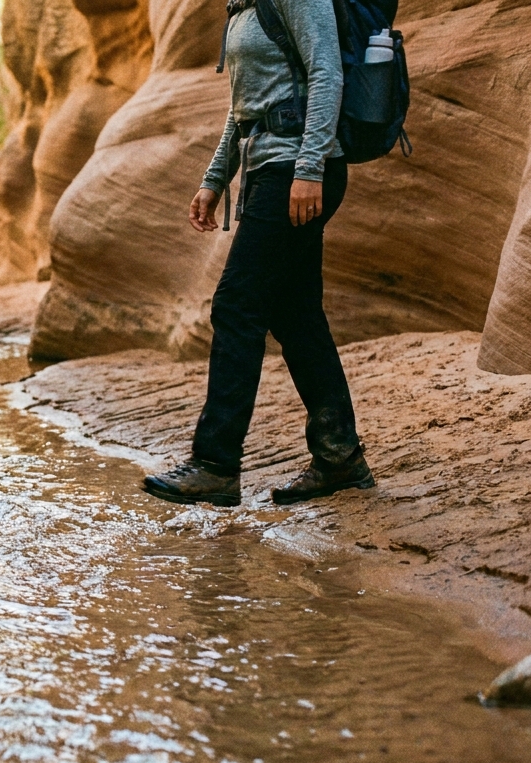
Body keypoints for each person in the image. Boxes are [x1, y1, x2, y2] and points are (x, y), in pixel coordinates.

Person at [141, 0, 375, 507]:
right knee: (297, 317)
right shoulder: (243, 7)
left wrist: (310, 166)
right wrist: (214, 180)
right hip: (268, 169)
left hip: (298, 170)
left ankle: (215, 465)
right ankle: (340, 457)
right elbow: (241, 108)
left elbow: (327, 72)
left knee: (237, 305)